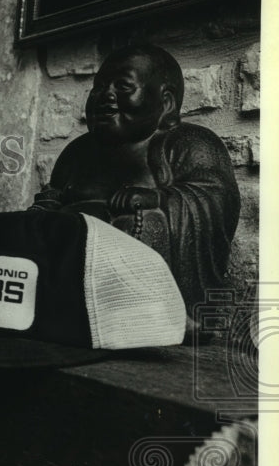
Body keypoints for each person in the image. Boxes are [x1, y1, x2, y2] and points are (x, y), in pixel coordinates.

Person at [31, 43, 240, 310]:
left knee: (140, 224)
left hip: (133, 276)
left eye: (123, 86)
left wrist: (156, 199)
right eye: (99, 86)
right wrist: (39, 215)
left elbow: (215, 199)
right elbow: (53, 195)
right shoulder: (77, 151)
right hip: (67, 266)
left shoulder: (189, 144)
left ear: (166, 103)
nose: (106, 95)